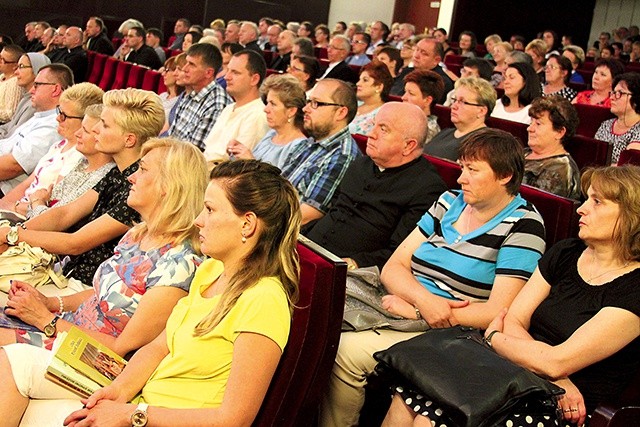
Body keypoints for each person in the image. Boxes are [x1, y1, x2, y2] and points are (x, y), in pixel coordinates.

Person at [320, 128, 546, 427]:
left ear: (504, 176)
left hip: (451, 333)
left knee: (345, 352)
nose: (461, 178)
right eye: (462, 167)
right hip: (402, 305)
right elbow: (394, 266)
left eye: (473, 170)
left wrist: (420, 312)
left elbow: (498, 312)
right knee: (320, 318)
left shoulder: (524, 225)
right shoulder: (450, 201)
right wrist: (422, 300)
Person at [384, 164, 640, 427]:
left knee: (431, 420)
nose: (581, 209)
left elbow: (556, 361)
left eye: (597, 202)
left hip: (564, 405)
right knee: (407, 397)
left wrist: (495, 338)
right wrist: (548, 370)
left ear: (632, 216)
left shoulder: (634, 288)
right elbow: (515, 318)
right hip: (522, 373)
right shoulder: (567, 252)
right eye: (586, 199)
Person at [57, 159, 302, 427]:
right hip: (144, 405)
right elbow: (160, 346)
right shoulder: (211, 269)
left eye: (210, 210)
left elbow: (234, 419)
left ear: (247, 224)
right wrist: (119, 392)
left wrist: (132, 414)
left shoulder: (264, 299)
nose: (198, 221)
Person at [0, 138, 207, 426]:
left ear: (168, 186)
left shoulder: (179, 264)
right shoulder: (138, 234)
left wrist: (46, 319)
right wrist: (50, 302)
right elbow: (100, 296)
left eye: (143, 170)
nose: (131, 177)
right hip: (69, 330)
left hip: (95, 359)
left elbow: (121, 348)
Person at [0, 88, 165, 286]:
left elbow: (75, 244)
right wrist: (15, 230)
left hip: (87, 285)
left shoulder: (139, 183)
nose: (96, 132)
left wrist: (13, 235)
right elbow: (64, 214)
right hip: (68, 272)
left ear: (129, 139)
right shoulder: (117, 173)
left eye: (104, 125)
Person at [305, 102, 447, 270]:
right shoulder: (360, 164)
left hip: (353, 270)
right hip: (311, 251)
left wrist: (355, 263)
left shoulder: (427, 188)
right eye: (374, 126)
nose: (371, 134)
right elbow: (333, 211)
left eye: (383, 129)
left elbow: (401, 252)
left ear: (408, 146)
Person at [0, 82, 104, 212]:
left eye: (64, 116)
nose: (58, 118)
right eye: (59, 111)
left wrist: (13, 208)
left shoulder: (80, 156)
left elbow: (54, 207)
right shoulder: (59, 145)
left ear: (85, 120)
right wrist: (3, 207)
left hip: (29, 217)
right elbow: (27, 184)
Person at [280, 78, 360, 225]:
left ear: (340, 113)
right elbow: (275, 185)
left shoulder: (342, 155)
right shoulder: (307, 142)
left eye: (316, 103)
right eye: (308, 101)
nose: (305, 108)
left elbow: (306, 215)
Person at [24, 104, 115, 218]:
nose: (77, 133)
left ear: (100, 136)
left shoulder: (104, 175)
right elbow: (35, 212)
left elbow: (51, 220)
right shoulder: (83, 163)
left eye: (85, 131)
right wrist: (38, 204)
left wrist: (37, 201)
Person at [0, 63, 72, 195]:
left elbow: (14, 166)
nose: (31, 90)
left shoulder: (54, 125)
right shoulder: (42, 115)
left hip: (6, 189)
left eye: (37, 85)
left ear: (55, 89)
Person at [228, 74, 306, 169]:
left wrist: (251, 161)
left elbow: (281, 182)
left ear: (291, 111)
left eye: (273, 104)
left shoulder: (298, 146)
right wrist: (237, 152)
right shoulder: (271, 134)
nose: (266, 109)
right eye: (267, 103)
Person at [203, 50, 268, 163]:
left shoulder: (258, 115)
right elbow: (209, 150)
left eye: (235, 72)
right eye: (228, 71)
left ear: (254, 79)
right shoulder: (228, 108)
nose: (226, 77)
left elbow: (237, 166)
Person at [169, 43, 233, 151]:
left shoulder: (216, 104)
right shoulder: (191, 93)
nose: (184, 69)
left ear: (208, 73)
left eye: (192, 64)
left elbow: (193, 154)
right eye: (186, 63)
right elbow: (171, 136)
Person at [424, 77, 496, 161]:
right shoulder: (445, 132)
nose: (453, 106)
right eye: (454, 100)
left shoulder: (483, 145)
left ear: (481, 111)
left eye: (462, 102)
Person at [524, 96, 581, 199]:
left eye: (538, 124)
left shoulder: (560, 169)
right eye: (531, 122)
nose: (529, 128)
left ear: (559, 132)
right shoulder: (524, 152)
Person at [0, 52, 49, 139]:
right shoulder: (26, 98)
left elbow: (14, 135)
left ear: (36, 69)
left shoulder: (36, 103)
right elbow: (9, 126)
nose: (16, 72)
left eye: (21, 67)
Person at [595, 72, 640, 163]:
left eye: (619, 93)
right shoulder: (606, 125)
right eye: (613, 92)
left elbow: (627, 167)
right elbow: (593, 155)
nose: (612, 98)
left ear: (636, 99)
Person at [401, 69, 444, 145]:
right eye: (405, 92)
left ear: (427, 100)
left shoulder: (427, 130)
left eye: (411, 94)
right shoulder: (401, 118)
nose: (403, 97)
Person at [349, 62, 393, 135]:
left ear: (379, 87)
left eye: (365, 80)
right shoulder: (353, 104)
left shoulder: (383, 114)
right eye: (359, 79)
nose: (358, 84)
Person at [412, 38, 453, 103]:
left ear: (436, 60)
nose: (416, 55)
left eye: (424, 53)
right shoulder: (407, 71)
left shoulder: (441, 82)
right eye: (416, 50)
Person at [0, 44, 25, 123]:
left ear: (15, 65)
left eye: (2, 60)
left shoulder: (15, 83)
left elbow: (10, 114)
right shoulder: (2, 76)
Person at [158, 56, 186, 123]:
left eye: (168, 70)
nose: (163, 74)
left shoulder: (180, 101)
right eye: (164, 70)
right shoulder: (163, 96)